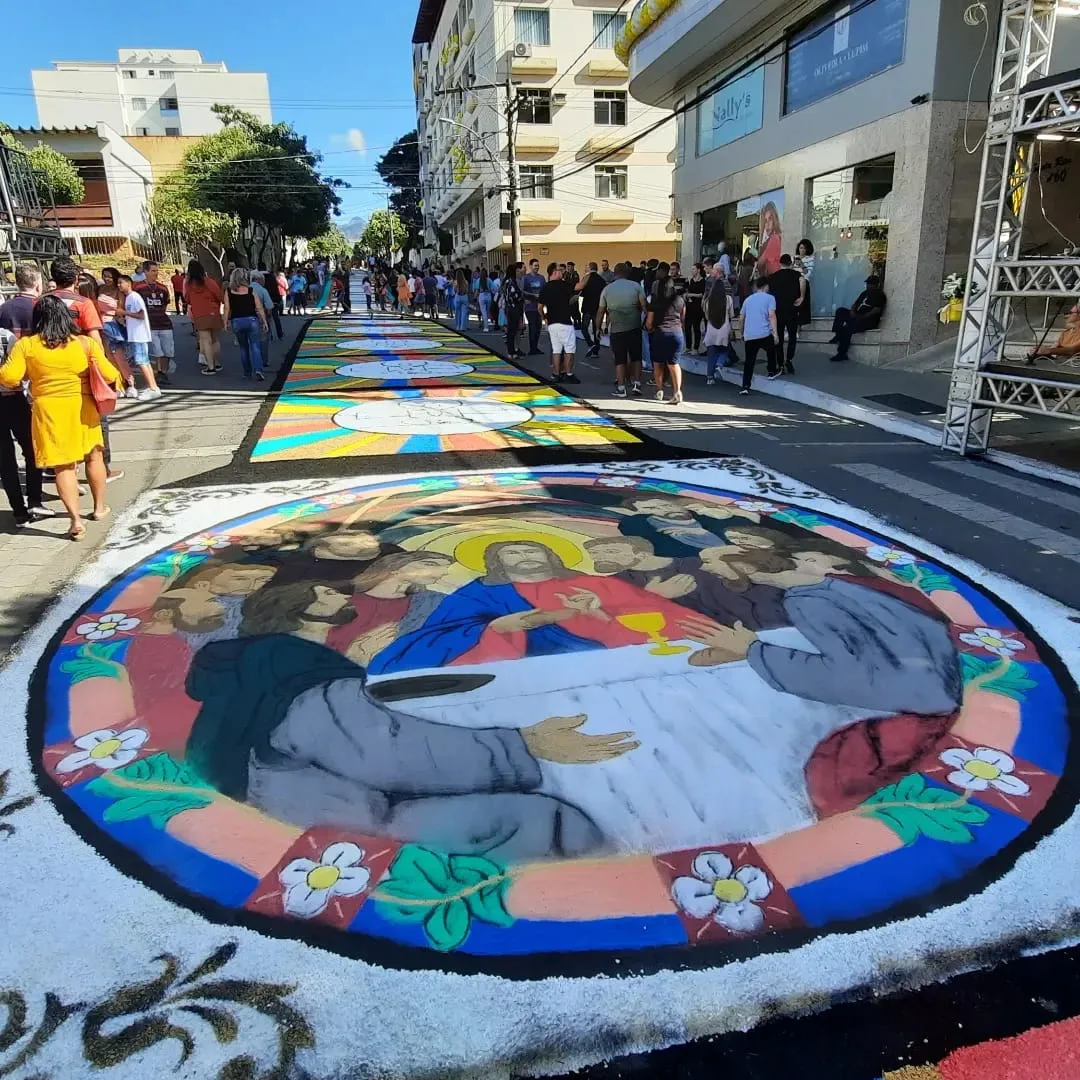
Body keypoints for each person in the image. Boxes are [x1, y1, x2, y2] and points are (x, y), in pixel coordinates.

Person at [184, 631, 630, 861]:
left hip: (330, 818)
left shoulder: (235, 712)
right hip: (368, 830)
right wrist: (523, 745)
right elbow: (394, 754)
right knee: (550, 819)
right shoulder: (304, 697)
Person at [0, 296, 123, 539]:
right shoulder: (84, 343)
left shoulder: (27, 345)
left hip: (48, 411)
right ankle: (99, 508)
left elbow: (9, 377)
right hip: (83, 406)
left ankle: (75, 521)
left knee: (63, 466)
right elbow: (110, 373)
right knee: (94, 455)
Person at [0, 323, 47, 527]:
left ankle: (19, 510)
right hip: (14, 397)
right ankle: (34, 501)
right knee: (32, 450)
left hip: (13, 399)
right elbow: (22, 370)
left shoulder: (6, 336)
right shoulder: (5, 336)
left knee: (5, 459)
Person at [597, 262, 647, 398]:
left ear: (615, 273)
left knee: (620, 359)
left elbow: (601, 311)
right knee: (636, 357)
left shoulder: (607, 289)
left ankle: (621, 387)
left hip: (617, 329)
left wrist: (598, 328)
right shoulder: (636, 286)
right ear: (627, 273)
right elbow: (644, 306)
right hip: (635, 327)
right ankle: (637, 384)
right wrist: (645, 322)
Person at [116, 275, 162, 401]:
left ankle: (153, 388)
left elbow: (141, 314)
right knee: (144, 361)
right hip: (135, 334)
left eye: (121, 282)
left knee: (142, 361)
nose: (119, 285)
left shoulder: (134, 297)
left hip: (139, 335)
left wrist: (124, 313)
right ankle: (153, 386)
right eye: (118, 283)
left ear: (129, 283)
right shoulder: (129, 298)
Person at [646, 262, 686, 405]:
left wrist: (650, 328)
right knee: (674, 363)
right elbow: (683, 318)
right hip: (677, 333)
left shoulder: (656, 301)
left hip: (660, 333)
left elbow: (649, 322)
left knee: (658, 363)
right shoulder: (680, 300)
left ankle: (659, 390)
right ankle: (677, 392)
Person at [223, 268, 269, 381]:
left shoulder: (228, 291)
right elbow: (259, 307)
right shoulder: (251, 290)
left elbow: (227, 308)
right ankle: (258, 369)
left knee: (243, 347)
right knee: (255, 346)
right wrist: (264, 321)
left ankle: (247, 372)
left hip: (237, 321)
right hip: (252, 320)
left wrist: (225, 322)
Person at [830, 275, 886, 362]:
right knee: (840, 311)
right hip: (856, 315)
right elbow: (855, 304)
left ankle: (841, 353)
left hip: (867, 320)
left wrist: (862, 317)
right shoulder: (864, 293)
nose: (869, 285)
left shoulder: (880, 295)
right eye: (868, 283)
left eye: (871, 284)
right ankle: (838, 335)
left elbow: (876, 310)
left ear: (876, 284)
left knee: (847, 328)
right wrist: (852, 312)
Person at [135, 263, 175, 386]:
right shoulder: (138, 288)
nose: (155, 273)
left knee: (168, 351)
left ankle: (164, 372)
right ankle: (158, 372)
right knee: (157, 350)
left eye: (156, 271)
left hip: (164, 323)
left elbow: (165, 303)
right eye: (153, 271)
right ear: (145, 272)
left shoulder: (162, 288)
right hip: (150, 325)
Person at [767, 253, 806, 374]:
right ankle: (789, 359)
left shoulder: (773, 277)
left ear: (780, 263)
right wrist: (802, 297)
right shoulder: (796, 275)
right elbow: (803, 281)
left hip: (778, 311)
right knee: (792, 336)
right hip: (792, 309)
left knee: (778, 338)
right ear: (790, 263)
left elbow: (768, 290)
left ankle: (780, 362)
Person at [739, 277, 779, 394]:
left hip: (750, 334)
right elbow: (772, 315)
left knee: (749, 360)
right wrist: (775, 333)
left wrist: (741, 332)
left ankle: (745, 385)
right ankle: (771, 371)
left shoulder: (748, 300)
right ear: (766, 286)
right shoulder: (770, 298)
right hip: (764, 333)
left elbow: (741, 318)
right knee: (771, 350)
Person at [539, 263, 578, 383]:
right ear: (555, 272)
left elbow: (540, 307)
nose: (562, 272)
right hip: (565, 322)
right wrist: (589, 274)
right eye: (560, 270)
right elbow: (577, 288)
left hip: (552, 323)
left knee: (556, 350)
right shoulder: (564, 285)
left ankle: (555, 374)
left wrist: (544, 318)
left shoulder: (545, 287)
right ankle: (568, 374)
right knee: (569, 350)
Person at [185, 261, 224, 375]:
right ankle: (217, 363)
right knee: (215, 340)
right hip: (213, 312)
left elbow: (187, 299)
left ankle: (210, 366)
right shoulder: (209, 282)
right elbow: (219, 295)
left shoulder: (189, 284)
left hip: (200, 314)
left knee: (205, 340)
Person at [703, 270, 734, 386]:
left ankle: (709, 378)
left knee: (711, 354)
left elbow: (706, 316)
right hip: (724, 329)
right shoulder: (728, 300)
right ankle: (719, 365)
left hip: (711, 329)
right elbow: (731, 315)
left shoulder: (708, 301)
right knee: (725, 350)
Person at [578, 262, 606, 358]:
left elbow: (581, 292)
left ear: (590, 268)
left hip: (587, 307)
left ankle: (590, 344)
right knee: (596, 329)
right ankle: (596, 351)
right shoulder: (601, 280)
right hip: (598, 307)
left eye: (586, 266)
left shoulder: (586, 278)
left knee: (584, 328)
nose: (585, 268)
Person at [500, 262, 525, 361]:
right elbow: (515, 295)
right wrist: (521, 298)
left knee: (512, 330)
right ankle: (511, 352)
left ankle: (512, 351)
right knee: (513, 331)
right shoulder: (511, 282)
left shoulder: (506, 282)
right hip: (514, 307)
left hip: (509, 308)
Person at [250, 273, 276, 368]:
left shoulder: (246, 289)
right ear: (259, 280)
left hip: (248, 317)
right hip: (260, 316)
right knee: (263, 340)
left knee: (252, 341)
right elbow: (269, 306)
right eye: (263, 280)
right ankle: (263, 361)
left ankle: (252, 361)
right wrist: (268, 317)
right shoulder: (262, 290)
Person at [522, 259, 546, 355]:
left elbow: (545, 290)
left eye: (538, 265)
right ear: (530, 266)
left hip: (539, 306)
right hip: (530, 307)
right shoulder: (526, 278)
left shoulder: (541, 278)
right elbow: (522, 291)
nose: (537, 267)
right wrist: (532, 295)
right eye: (535, 265)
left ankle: (535, 347)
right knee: (532, 327)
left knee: (539, 327)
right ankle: (532, 349)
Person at [756, 200, 783, 279]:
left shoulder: (774, 239)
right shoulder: (771, 240)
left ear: (775, 219)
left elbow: (759, 264)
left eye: (770, 219)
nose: (767, 224)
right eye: (765, 220)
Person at [684, 263, 706, 356]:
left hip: (698, 307)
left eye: (693, 269)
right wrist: (687, 295)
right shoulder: (691, 280)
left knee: (696, 327)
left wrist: (691, 295)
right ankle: (688, 346)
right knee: (687, 327)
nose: (692, 271)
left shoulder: (703, 281)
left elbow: (702, 294)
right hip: (690, 305)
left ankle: (696, 347)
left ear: (698, 270)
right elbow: (688, 290)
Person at [564, 261, 581, 330]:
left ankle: (579, 321)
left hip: (574, 294)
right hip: (568, 294)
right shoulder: (566, 274)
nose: (568, 268)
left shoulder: (575, 274)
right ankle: (574, 322)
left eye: (570, 266)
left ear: (573, 267)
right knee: (570, 309)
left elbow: (574, 283)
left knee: (576, 308)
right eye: (568, 266)